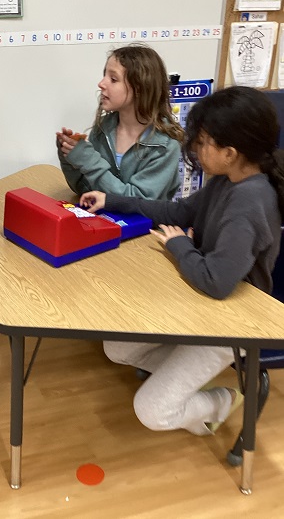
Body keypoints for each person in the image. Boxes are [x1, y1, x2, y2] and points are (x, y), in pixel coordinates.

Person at [80, 86, 284, 436]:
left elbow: (218, 282)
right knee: (116, 346)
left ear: (230, 152)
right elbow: (176, 211)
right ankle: (185, 380)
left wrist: (179, 247)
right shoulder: (227, 180)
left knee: (152, 410)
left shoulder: (249, 204)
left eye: (204, 142)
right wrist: (111, 200)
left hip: (230, 324)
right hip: (199, 303)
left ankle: (221, 401)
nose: (197, 149)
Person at [56, 43, 184, 202]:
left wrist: (88, 161)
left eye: (113, 79)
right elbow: (86, 191)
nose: (101, 83)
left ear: (139, 88)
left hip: (146, 226)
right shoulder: (103, 128)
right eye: (104, 76)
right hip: (105, 220)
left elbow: (135, 202)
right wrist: (69, 157)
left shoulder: (164, 146)